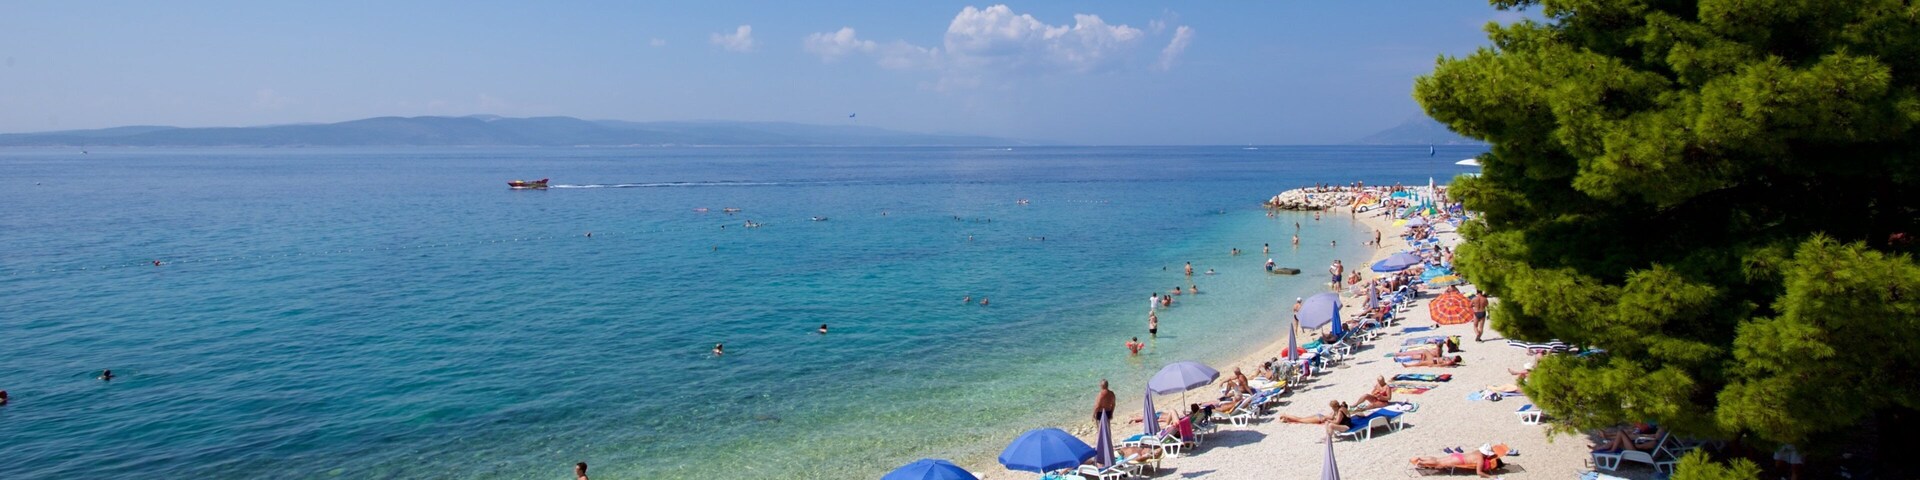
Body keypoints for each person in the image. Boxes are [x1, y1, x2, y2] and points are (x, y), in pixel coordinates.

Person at [1410, 443, 1507, 477]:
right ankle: (1421, 462)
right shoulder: (1480, 458)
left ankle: (1421, 458)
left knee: (1438, 459)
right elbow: (1479, 472)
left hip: (1457, 456)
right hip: (1458, 461)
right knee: (1438, 463)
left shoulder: (1477, 452)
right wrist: (1490, 477)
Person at [1277, 400, 1353, 437]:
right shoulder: (1338, 410)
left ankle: (1286, 417)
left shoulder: (1337, 411)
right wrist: (1327, 419)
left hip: (1320, 416)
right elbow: (1335, 420)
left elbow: (1335, 421)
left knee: (1301, 419)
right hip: (1319, 418)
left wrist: (1327, 419)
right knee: (1300, 420)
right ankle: (1286, 416)